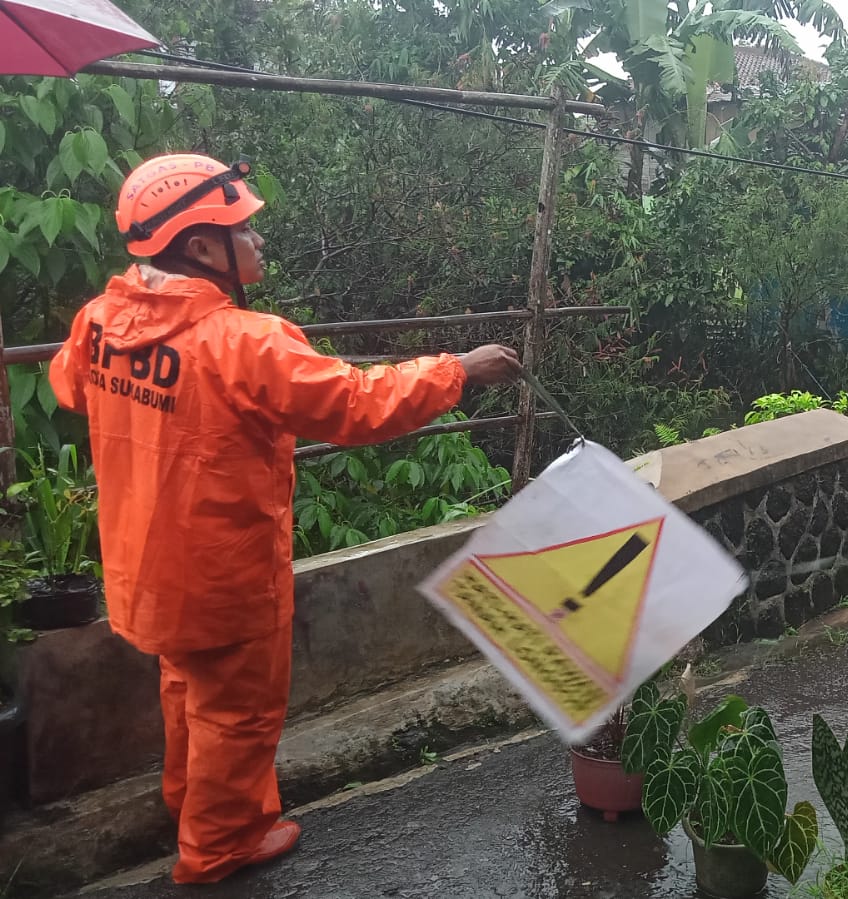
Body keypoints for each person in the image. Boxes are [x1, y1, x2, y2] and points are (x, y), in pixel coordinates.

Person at [47, 153, 522, 884]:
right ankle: (220, 846)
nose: (258, 240)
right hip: (224, 576)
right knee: (235, 714)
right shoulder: (244, 342)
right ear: (201, 246)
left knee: (184, 691)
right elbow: (358, 405)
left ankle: (191, 809)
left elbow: (70, 388)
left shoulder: (98, 322)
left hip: (144, 573)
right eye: (244, 228)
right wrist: (458, 368)